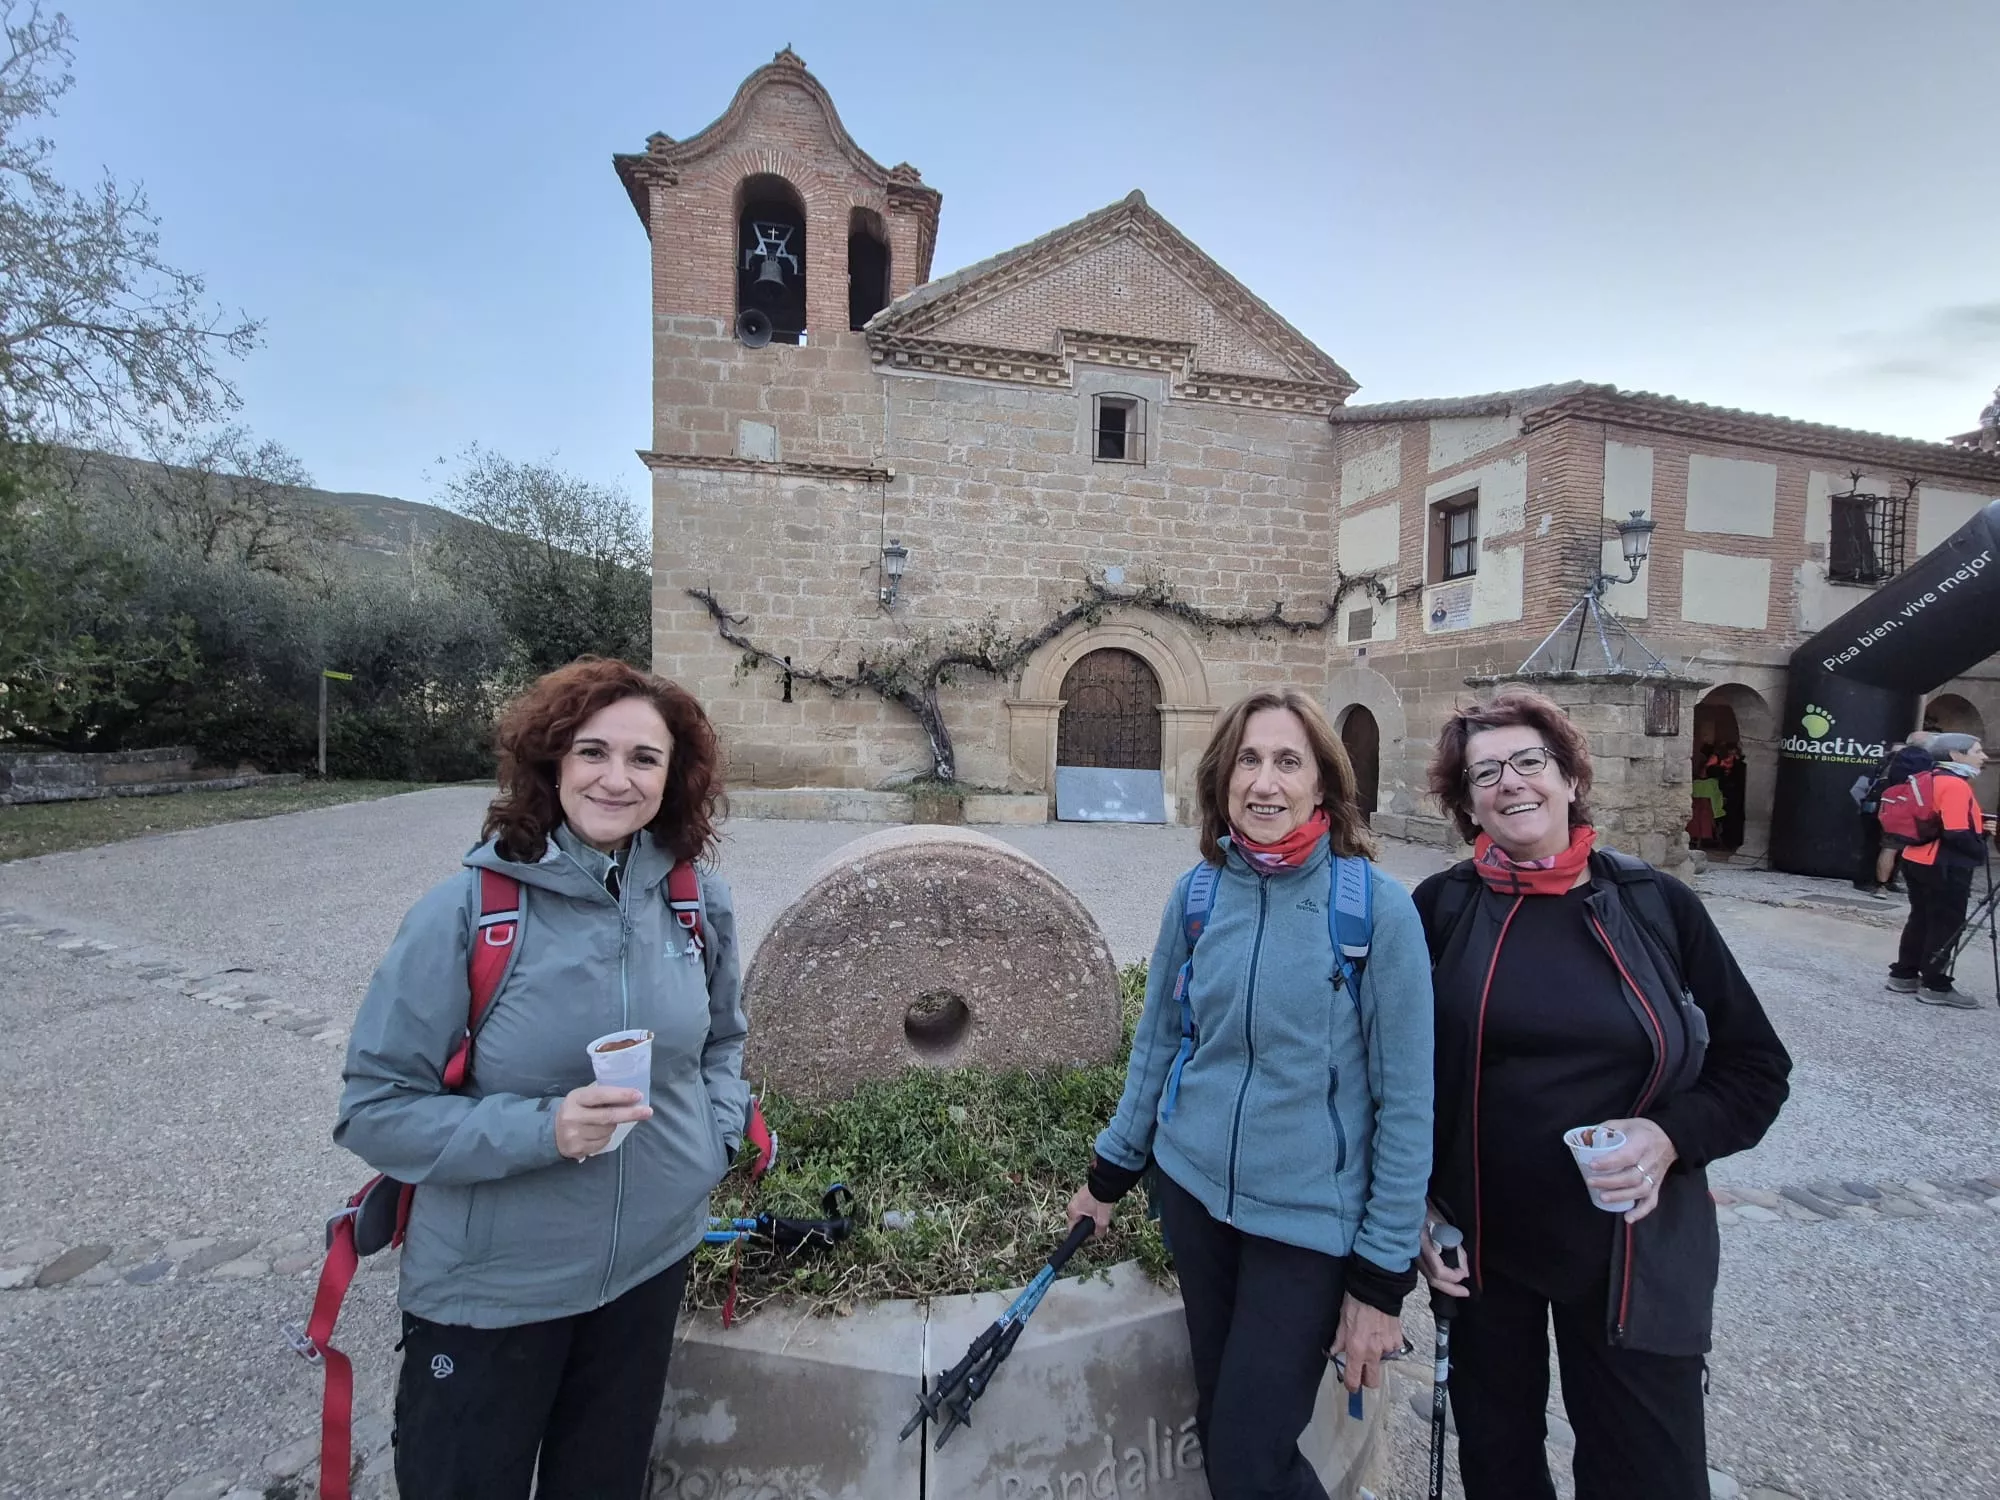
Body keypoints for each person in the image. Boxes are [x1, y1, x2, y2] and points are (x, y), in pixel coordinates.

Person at [335, 658, 748, 1499]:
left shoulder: (694, 901)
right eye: (592, 752)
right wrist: (543, 1129)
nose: (616, 778)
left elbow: (723, 1042)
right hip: (494, 1291)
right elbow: (374, 1110)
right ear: (552, 762)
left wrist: (713, 1140)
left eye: (644, 759)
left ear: (672, 780)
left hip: (648, 1267)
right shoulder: (468, 911)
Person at [1413, 689, 1791, 1500]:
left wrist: (1669, 1137)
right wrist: (1418, 1210)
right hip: (1484, 1253)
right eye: (1485, 773)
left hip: (1633, 1253)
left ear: (1570, 777)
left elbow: (1758, 1069)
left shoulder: (1656, 905)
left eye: (1529, 762)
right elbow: (1392, 1078)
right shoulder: (1441, 910)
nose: (1511, 783)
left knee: (1648, 1474)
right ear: (1467, 803)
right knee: (1501, 1468)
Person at [1065, 689, 1434, 1500]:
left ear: (1323, 787)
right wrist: (1108, 1177)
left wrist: (1379, 1282)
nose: (1265, 782)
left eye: (1288, 761)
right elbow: (1159, 1044)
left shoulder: (1374, 911)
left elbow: (1406, 1105)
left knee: (1247, 1452)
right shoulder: (1198, 897)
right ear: (1223, 779)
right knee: (1224, 1421)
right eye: (1248, 761)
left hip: (1304, 1228)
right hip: (1195, 1202)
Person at [1887, 732, 1990, 1008]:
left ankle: (1904, 974)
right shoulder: (1955, 785)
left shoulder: (1927, 777)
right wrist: (1980, 849)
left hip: (1915, 856)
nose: (1984, 757)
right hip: (1944, 863)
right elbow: (1956, 832)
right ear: (1956, 755)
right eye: (1977, 751)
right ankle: (1935, 985)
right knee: (1946, 923)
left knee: (1920, 917)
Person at [1855, 732, 1932, 896]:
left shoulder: (1892, 760)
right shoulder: (1924, 761)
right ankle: (1886, 882)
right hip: (1907, 809)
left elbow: (1860, 788)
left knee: (1883, 847)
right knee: (1896, 848)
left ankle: (1879, 883)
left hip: (1885, 807)